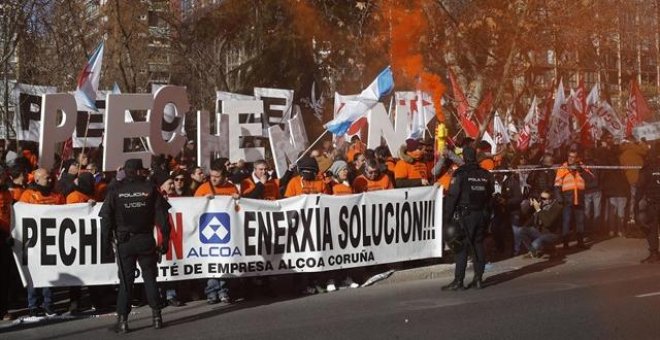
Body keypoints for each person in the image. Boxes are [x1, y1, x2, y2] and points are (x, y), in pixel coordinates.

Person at [99, 159, 171, 333]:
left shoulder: (116, 189)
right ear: (140, 171)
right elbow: (163, 218)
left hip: (125, 242)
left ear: (125, 171)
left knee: (126, 282)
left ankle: (122, 321)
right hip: (146, 239)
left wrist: (105, 245)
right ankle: (156, 317)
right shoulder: (150, 189)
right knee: (150, 278)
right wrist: (165, 241)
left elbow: (106, 219)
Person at [442, 146, 494, 291]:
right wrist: (487, 214)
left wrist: (447, 217)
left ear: (464, 157)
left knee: (462, 247)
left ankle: (458, 281)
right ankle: (478, 279)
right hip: (482, 215)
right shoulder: (485, 174)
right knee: (478, 245)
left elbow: (452, 197)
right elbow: (490, 196)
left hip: (466, 216)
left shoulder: (461, 174)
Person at [20, 168, 65, 316]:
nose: (51, 180)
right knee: (33, 274)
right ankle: (33, 305)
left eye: (51, 178)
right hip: (32, 243)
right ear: (37, 180)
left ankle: (48, 303)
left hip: (51, 241)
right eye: (47, 178)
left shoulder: (57, 196)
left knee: (49, 273)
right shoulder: (27, 196)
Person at [195, 165, 239, 304]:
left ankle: (223, 291)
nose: (213, 179)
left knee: (224, 261)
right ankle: (212, 291)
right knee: (212, 261)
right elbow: (192, 208)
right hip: (207, 231)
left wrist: (238, 199)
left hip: (227, 230)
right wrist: (202, 201)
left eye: (217, 176)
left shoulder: (232, 188)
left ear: (225, 177)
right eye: (211, 176)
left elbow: (238, 210)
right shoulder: (203, 188)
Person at [554, 150, 590, 249]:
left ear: (577, 158)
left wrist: (580, 170)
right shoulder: (563, 168)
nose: (571, 158)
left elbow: (590, 178)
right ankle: (566, 243)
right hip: (567, 198)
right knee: (566, 221)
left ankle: (580, 242)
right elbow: (557, 184)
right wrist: (560, 199)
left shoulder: (582, 167)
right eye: (569, 156)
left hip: (579, 197)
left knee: (580, 221)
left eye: (573, 157)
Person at [517, 190, 562, 258]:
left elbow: (548, 223)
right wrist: (531, 207)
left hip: (552, 234)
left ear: (551, 200)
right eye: (540, 198)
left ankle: (550, 249)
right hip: (540, 232)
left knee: (536, 244)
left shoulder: (557, 207)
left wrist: (538, 209)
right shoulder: (542, 206)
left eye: (544, 199)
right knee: (521, 230)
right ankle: (533, 252)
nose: (541, 200)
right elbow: (529, 219)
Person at [637, 145, 660, 263]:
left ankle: (654, 253)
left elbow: (640, 186)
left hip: (653, 202)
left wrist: (637, 202)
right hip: (653, 201)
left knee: (651, 228)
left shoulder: (647, 168)